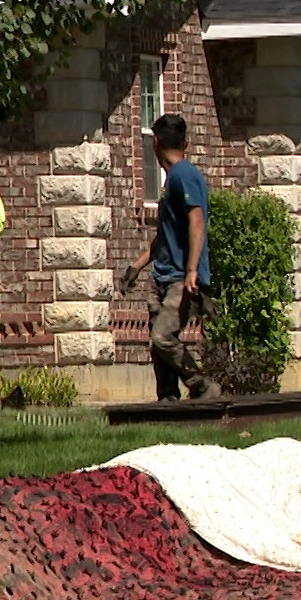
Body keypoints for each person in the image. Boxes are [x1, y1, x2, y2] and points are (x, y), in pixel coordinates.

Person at [120, 113, 221, 401]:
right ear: (185, 142)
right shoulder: (173, 180)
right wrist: (137, 266)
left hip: (179, 278)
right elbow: (166, 235)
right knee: (159, 345)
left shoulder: (184, 175)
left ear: (156, 144)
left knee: (162, 337)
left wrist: (192, 271)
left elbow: (197, 222)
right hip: (162, 276)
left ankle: (202, 386)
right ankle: (167, 400)